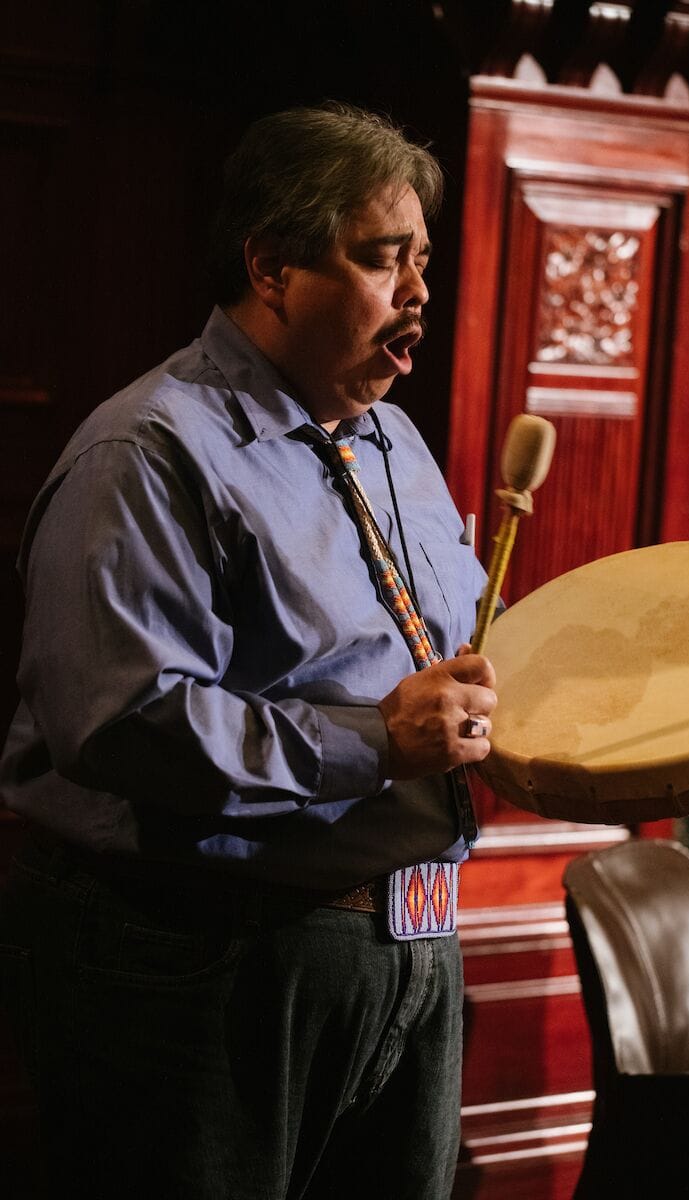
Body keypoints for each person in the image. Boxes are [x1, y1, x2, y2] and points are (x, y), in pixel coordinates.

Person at [0, 103, 497, 1199]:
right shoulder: (146, 451)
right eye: (383, 259)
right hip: (206, 956)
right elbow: (123, 722)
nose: (419, 291)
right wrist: (378, 744)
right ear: (271, 267)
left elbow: (437, 652)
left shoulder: (393, 439)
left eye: (422, 259)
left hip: (408, 949)